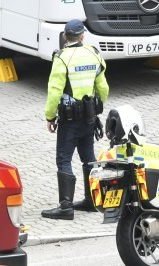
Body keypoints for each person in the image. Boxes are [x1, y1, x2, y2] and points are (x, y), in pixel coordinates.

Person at [42, 19, 109, 219]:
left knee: (63, 158)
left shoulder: (62, 58)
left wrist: (50, 116)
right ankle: (91, 201)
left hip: (69, 118)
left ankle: (65, 207)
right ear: (82, 36)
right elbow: (103, 88)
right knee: (88, 157)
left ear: (64, 37)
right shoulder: (94, 54)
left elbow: (54, 92)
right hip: (88, 117)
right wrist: (96, 108)